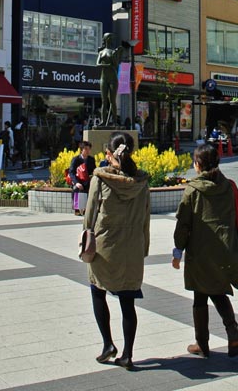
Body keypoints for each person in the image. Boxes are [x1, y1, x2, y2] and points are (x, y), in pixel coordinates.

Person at [172, 143, 238, 358]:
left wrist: (178, 251)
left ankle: (202, 343)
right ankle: (233, 335)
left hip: (200, 253)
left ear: (198, 165)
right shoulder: (229, 186)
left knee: (200, 296)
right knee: (219, 291)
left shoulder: (193, 190)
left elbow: (183, 224)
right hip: (225, 249)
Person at [85, 132, 150, 370]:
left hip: (105, 247)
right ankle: (128, 354)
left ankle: (108, 345)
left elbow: (89, 216)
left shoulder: (100, 179)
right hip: (131, 246)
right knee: (128, 302)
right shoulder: (142, 181)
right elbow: (146, 219)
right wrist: (143, 247)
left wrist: (86, 240)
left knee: (97, 291)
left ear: (109, 154)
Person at [69, 141, 95, 216]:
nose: (88, 151)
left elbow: (93, 170)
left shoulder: (91, 159)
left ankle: (86, 208)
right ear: (81, 150)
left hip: (87, 181)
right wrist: (76, 182)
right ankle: (77, 209)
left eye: (89, 149)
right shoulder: (76, 159)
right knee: (76, 189)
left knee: (91, 189)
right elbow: (71, 172)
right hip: (78, 181)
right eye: (86, 149)